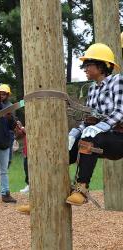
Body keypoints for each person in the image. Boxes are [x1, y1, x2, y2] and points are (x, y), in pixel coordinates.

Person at [66, 43, 123, 206]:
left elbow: (120, 111)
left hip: (118, 137)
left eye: (88, 64)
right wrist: (75, 132)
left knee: (89, 140)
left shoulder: (117, 81)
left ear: (102, 66)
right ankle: (52, 189)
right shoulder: (91, 90)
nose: (84, 68)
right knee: (67, 148)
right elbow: (90, 119)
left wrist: (100, 126)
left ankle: (82, 189)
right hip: (100, 136)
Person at [0, 84, 15, 168]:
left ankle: (7, 165)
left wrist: (9, 117)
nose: (1, 96)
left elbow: (13, 123)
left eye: (3, 94)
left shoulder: (10, 106)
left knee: (8, 155)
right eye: (0, 94)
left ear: (7, 95)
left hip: (9, 133)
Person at [15, 121, 29, 194]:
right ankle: (29, 185)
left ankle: (31, 185)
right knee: (26, 168)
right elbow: (19, 135)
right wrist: (19, 127)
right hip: (27, 151)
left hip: (34, 151)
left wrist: (23, 128)